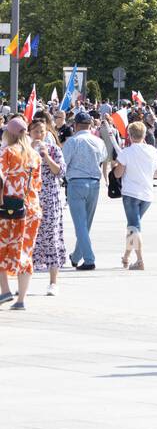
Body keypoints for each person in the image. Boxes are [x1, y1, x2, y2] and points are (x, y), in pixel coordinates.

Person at [0, 116, 43, 310]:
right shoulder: (35, 155)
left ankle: (6, 290)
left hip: (7, 208)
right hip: (31, 208)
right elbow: (38, 184)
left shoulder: (7, 152)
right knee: (25, 251)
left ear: (8, 133)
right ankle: (21, 300)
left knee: (3, 248)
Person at [62, 111, 108, 270]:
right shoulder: (98, 141)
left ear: (75, 125)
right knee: (86, 224)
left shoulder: (72, 142)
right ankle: (76, 256)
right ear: (90, 125)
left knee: (80, 225)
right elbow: (103, 158)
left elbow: (63, 163)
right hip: (94, 183)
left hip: (76, 183)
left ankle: (89, 259)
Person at [113, 120, 157, 270]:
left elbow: (118, 173)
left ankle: (140, 261)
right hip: (147, 194)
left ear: (129, 136)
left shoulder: (126, 152)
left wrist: (116, 168)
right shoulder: (152, 150)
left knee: (134, 227)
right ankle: (126, 257)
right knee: (133, 226)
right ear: (144, 134)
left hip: (131, 193)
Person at [29, 117, 66, 293]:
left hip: (50, 199)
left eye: (42, 131)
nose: (39, 134)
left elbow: (60, 171)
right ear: (29, 133)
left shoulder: (54, 149)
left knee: (52, 239)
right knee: (29, 239)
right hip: (30, 198)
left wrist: (46, 156)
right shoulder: (24, 151)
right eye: (36, 131)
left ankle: (53, 282)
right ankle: (24, 283)